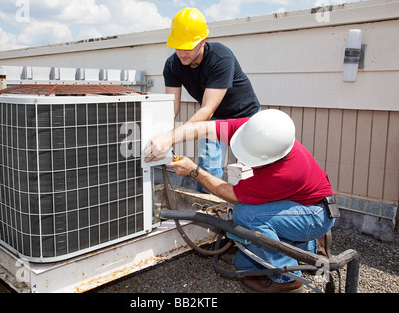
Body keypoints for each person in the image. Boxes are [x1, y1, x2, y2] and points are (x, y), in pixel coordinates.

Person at [144, 109, 336, 293]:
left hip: (314, 214)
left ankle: (287, 279)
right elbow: (204, 128)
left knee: (246, 216)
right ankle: (311, 248)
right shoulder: (255, 130)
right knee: (242, 264)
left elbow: (230, 194)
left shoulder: (285, 173)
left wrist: (194, 171)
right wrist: (167, 138)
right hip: (300, 204)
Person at [163, 7, 260, 192]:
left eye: (189, 46)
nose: (183, 53)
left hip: (246, 116)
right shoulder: (172, 65)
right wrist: (161, 133)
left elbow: (207, 109)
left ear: (202, 42)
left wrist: (172, 137)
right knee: (208, 167)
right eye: (178, 46)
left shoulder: (221, 57)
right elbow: (172, 108)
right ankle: (206, 212)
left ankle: (251, 208)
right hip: (216, 120)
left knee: (255, 167)